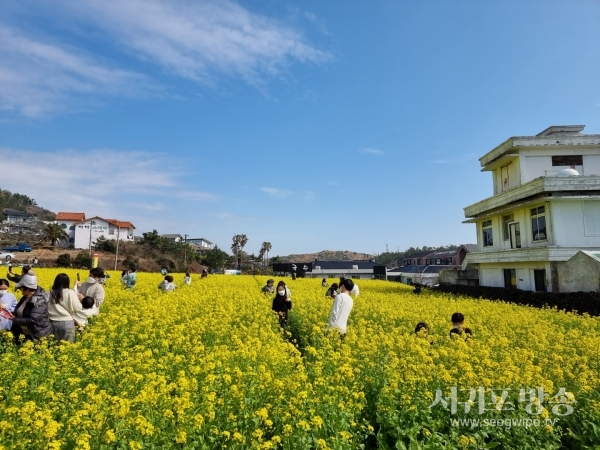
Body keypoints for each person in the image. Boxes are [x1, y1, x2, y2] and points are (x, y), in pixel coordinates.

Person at [7, 273, 52, 343]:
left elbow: (33, 319)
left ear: (27, 288)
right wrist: (11, 314)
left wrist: (14, 319)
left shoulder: (39, 300)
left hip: (36, 333)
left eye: (21, 287)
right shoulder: (25, 297)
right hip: (25, 333)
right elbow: (22, 312)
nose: (20, 289)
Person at [47, 273, 82, 343]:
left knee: (54, 345)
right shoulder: (70, 293)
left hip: (52, 322)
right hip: (67, 323)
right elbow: (78, 308)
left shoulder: (49, 293)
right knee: (68, 346)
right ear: (67, 282)